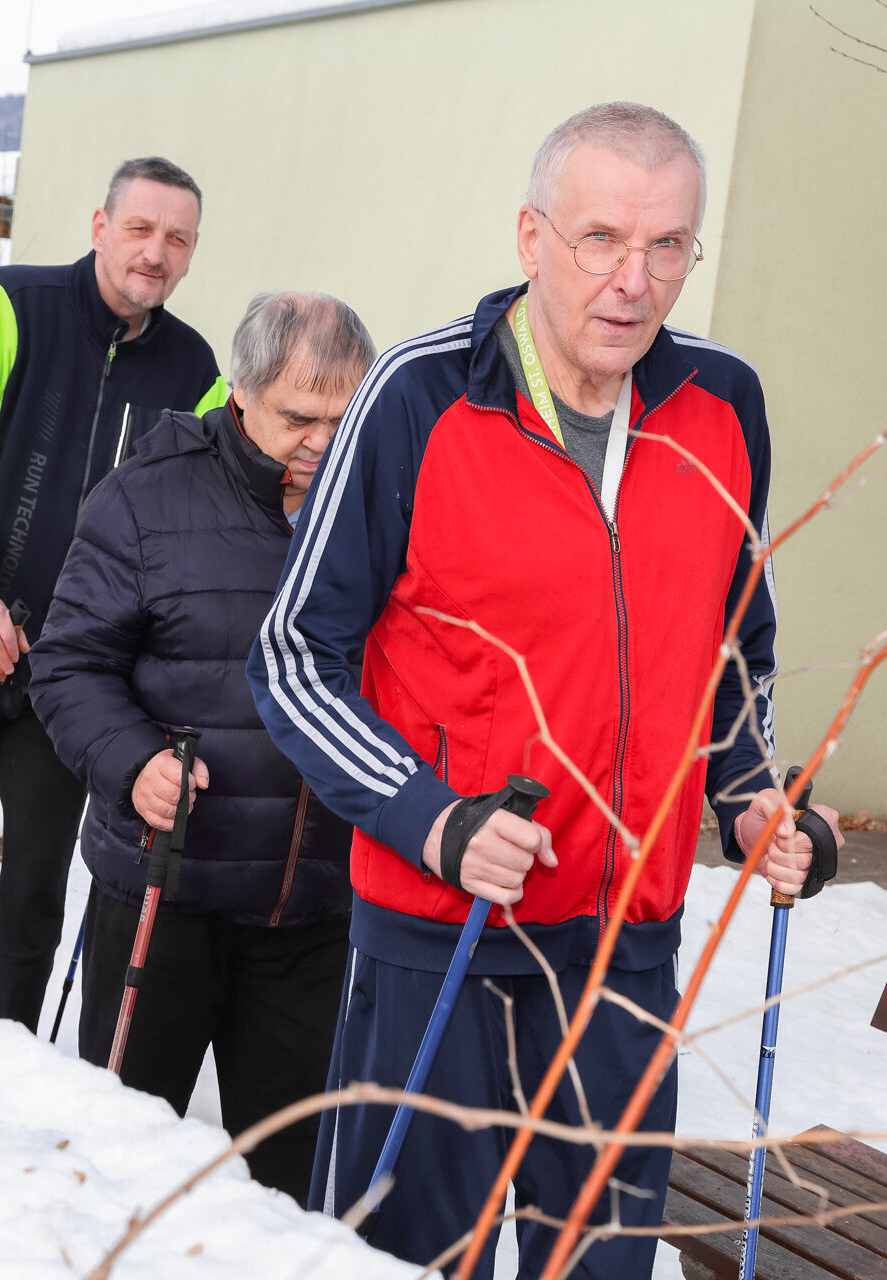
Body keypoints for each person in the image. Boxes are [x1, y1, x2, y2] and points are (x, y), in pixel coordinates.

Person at [247, 103, 844, 1276]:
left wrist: (751, 796)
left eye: (668, 245)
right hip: (444, 938)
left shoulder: (722, 406)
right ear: (529, 237)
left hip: (626, 945)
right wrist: (432, 818)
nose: (634, 280)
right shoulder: (419, 399)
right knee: (413, 1260)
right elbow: (290, 656)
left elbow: (732, 647)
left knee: (604, 1262)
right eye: (600, 239)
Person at [29, 291, 375, 1206]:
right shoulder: (144, 498)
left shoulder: (380, 501)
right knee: (125, 1168)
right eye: (299, 418)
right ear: (242, 393)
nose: (322, 442)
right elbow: (67, 666)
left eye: (344, 419)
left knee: (288, 1185)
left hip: (314, 903)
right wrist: (134, 759)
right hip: (165, 886)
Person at [0, 157, 226, 1032]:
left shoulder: (196, 369)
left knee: (35, 882)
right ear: (101, 225)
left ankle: (7, 1060)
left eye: (176, 239)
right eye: (140, 229)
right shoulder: (9, 303)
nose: (155, 252)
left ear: (189, 255)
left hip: (69, 667)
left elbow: (191, 511)